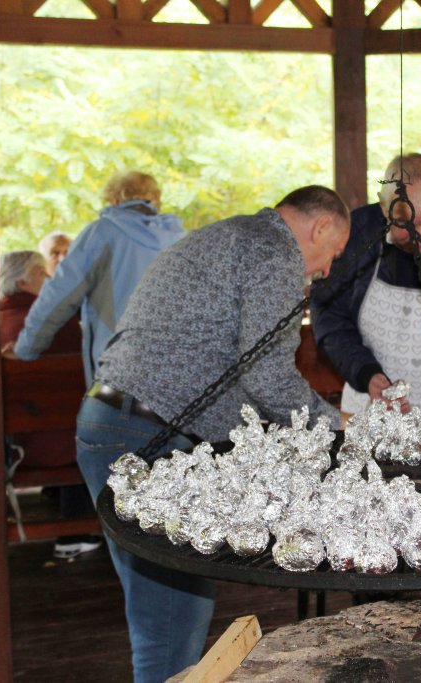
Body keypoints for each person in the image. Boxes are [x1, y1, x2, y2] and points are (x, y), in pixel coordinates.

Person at [76, 185, 349, 683]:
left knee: (169, 609)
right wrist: (336, 425)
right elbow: (266, 374)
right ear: (322, 226)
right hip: (146, 435)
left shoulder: (231, 235)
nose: (327, 269)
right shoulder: (273, 251)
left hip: (117, 419)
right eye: (332, 255)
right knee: (172, 614)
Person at [310, 153, 421, 428]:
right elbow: (329, 314)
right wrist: (365, 373)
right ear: (383, 205)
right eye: (406, 224)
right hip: (367, 406)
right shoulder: (355, 234)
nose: (418, 236)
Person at [8, 171, 185, 386]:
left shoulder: (101, 234)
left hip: (119, 371)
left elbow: (59, 297)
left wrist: (26, 348)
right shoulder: (181, 239)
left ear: (114, 200)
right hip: (176, 371)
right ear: (156, 199)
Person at [0, 250, 98, 559]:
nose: (51, 277)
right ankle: (78, 530)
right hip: (59, 445)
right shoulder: (57, 323)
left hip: (9, 448)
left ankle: (56, 495)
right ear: (22, 280)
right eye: (43, 271)